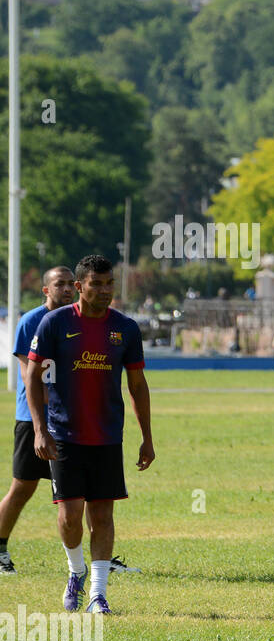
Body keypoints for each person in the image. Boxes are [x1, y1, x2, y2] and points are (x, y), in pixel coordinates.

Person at [25, 255, 154, 615]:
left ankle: (98, 594)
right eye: (96, 284)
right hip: (64, 435)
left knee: (102, 516)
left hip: (108, 436)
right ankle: (75, 571)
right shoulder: (55, 323)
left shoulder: (126, 329)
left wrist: (147, 436)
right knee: (69, 517)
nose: (104, 291)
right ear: (79, 287)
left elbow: (138, 384)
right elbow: (32, 378)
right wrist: (40, 430)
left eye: (109, 283)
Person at [0, 267, 76, 574]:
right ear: (46, 290)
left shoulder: (78, 321)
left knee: (81, 490)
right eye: (61, 284)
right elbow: (30, 378)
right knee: (22, 488)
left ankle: (99, 559)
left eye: (72, 284)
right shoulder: (31, 321)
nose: (68, 289)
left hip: (71, 420)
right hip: (34, 421)